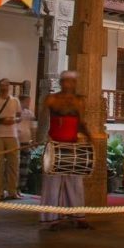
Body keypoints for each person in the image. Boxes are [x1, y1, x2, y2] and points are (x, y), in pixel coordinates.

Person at [40, 70, 92, 230]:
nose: (69, 84)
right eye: (66, 81)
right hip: (55, 145)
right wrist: (40, 140)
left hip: (73, 146)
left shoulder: (79, 102)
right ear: (61, 82)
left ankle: (78, 217)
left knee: (75, 183)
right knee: (52, 184)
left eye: (72, 81)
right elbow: (43, 121)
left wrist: (89, 138)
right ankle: (51, 219)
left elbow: (81, 123)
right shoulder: (51, 99)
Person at [17, 95, 36, 193]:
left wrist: (33, 140)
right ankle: (14, 186)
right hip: (17, 141)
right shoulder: (16, 112)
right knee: (16, 164)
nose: (28, 103)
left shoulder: (30, 113)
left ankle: (22, 186)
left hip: (26, 141)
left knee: (25, 164)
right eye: (27, 101)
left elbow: (32, 128)